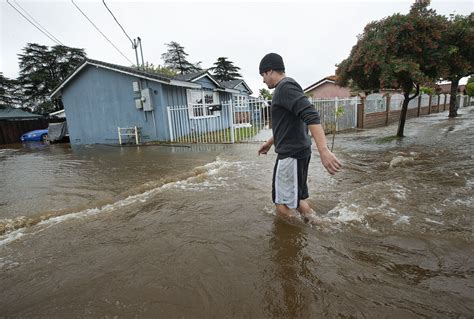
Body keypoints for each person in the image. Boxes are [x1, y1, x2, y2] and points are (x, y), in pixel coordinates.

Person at [257, 53, 342, 222]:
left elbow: (311, 115)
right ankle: (320, 226)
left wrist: (324, 150)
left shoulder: (284, 88)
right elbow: (287, 123)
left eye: (263, 76)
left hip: (291, 156)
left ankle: (295, 242)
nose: (263, 81)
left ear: (270, 71)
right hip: (298, 153)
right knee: (297, 200)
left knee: (282, 206)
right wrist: (269, 143)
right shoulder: (289, 87)